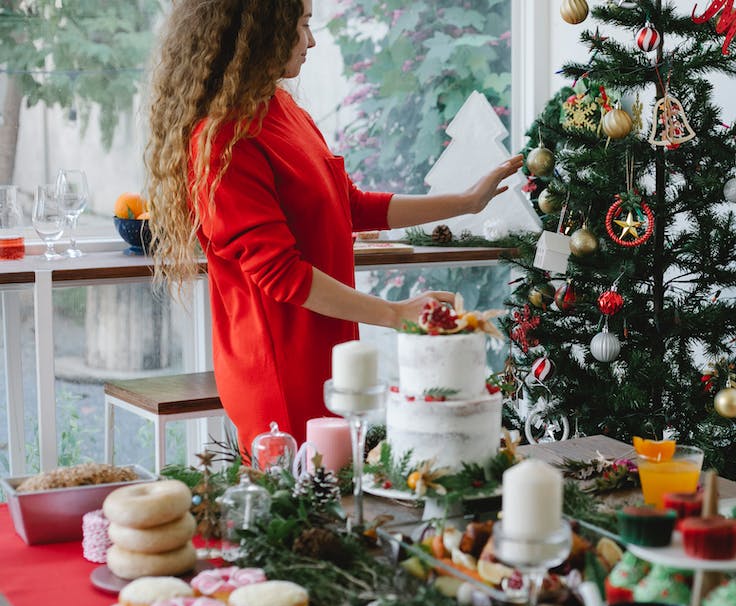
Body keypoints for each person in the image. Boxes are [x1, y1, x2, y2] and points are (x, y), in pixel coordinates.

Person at [143, 0, 522, 454]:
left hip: (328, 354)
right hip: (281, 373)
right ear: (261, 32)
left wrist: (465, 202)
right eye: (301, 27)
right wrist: (396, 313)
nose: (312, 40)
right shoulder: (225, 141)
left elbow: (350, 204)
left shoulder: (280, 108)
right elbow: (282, 274)